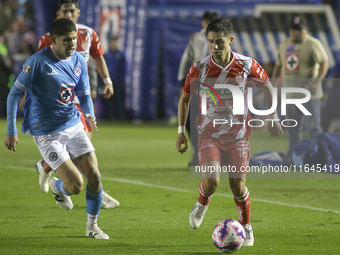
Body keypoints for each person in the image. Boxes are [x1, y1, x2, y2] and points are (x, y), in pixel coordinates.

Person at [176, 18, 283, 246]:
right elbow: (184, 99)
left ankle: (246, 226)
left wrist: (272, 116)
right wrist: (180, 131)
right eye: (211, 41)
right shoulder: (200, 68)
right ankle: (202, 203)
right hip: (209, 136)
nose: (215, 46)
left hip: (239, 136)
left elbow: (268, 86)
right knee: (212, 181)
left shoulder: (246, 64)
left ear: (231, 40)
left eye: (220, 42)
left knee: (237, 186)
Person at [5, 18, 109, 239]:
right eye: (67, 40)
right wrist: (11, 130)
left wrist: (89, 114)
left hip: (72, 125)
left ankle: (92, 227)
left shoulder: (79, 60)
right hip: (46, 133)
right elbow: (14, 94)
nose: (72, 44)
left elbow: (83, 93)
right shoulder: (37, 62)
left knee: (95, 177)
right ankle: (58, 187)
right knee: (76, 185)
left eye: (74, 39)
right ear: (53, 40)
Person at [32, 0, 119, 209]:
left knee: (81, 149)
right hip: (61, 103)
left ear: (78, 12)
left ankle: (49, 170)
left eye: (72, 10)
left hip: (82, 98)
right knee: (83, 150)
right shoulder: (48, 39)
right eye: (65, 11)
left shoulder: (89, 34)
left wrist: (107, 80)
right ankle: (93, 188)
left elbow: (98, 57)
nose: (69, 14)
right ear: (58, 13)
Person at [272, 15, 329, 164]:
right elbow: (279, 64)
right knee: (292, 128)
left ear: (306, 30)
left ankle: (318, 158)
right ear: (290, 31)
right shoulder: (285, 44)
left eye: (299, 30)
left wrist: (317, 82)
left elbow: (324, 63)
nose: (296, 33)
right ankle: (294, 158)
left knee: (313, 128)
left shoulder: (313, 44)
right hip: (290, 94)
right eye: (293, 30)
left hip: (310, 94)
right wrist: (273, 83)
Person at [177, 11, 221, 166]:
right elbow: (187, 59)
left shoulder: (222, 39)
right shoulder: (196, 38)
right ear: (204, 23)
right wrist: (182, 81)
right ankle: (199, 152)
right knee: (191, 121)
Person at [100, 36, 128, 120]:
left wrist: (120, 80)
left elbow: (125, 69)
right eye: (112, 42)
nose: (114, 44)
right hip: (109, 82)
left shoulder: (122, 54)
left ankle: (120, 118)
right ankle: (109, 117)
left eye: (115, 42)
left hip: (118, 82)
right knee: (108, 100)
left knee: (119, 100)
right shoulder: (108, 54)